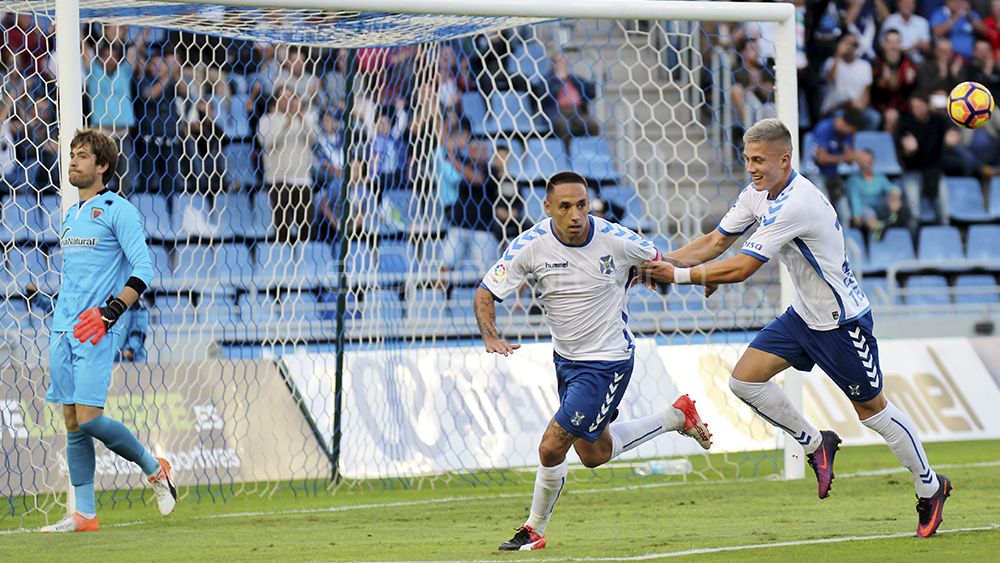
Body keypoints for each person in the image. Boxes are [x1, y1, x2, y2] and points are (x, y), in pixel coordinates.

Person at [639, 118, 952, 539]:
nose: (751, 168)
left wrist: (679, 277)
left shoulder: (796, 204)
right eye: (747, 159)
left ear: (784, 160)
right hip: (804, 316)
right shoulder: (757, 193)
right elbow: (715, 242)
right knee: (744, 380)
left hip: (841, 323)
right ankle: (816, 443)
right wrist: (661, 262)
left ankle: (930, 486)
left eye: (759, 160)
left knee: (873, 412)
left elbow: (743, 267)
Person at [474, 171, 713, 551]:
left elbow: (661, 262)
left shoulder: (616, 239)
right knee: (594, 453)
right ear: (548, 207)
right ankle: (675, 417)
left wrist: (697, 276)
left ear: (590, 205)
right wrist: (490, 335)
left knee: (551, 447)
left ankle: (534, 529)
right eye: (565, 207)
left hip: (607, 362)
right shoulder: (530, 246)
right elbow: (486, 292)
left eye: (581, 205)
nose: (575, 215)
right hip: (566, 361)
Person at [38, 129, 176, 533]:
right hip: (63, 328)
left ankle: (155, 468)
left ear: (102, 166)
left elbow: (144, 270)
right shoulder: (70, 215)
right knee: (71, 419)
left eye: (83, 155)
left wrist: (111, 313)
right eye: (72, 154)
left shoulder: (119, 210)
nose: (73, 160)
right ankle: (85, 513)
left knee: (90, 418)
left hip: (97, 328)